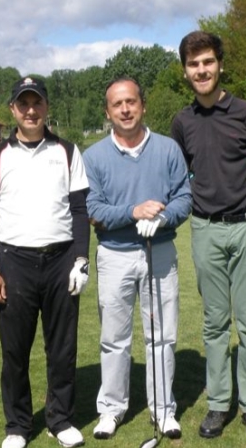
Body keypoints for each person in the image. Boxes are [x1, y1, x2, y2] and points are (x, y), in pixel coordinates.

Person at [170, 31, 246, 442]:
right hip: (205, 231)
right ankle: (219, 404)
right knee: (215, 323)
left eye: (208, 62)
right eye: (193, 64)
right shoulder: (181, 123)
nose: (201, 70)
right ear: (185, 71)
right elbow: (182, 175)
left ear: (220, 64)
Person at [0, 77, 91, 448]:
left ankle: (60, 419)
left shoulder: (68, 152)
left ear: (46, 107)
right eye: (22, 104)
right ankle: (18, 426)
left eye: (36, 103)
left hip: (60, 261)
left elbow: (79, 211)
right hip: (14, 262)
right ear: (12, 110)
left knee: (62, 348)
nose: (30, 110)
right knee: (14, 351)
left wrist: (81, 260)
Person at [83, 77, 192, 440]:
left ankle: (163, 410)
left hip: (159, 251)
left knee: (162, 335)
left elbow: (183, 197)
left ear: (142, 105)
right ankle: (111, 410)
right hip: (114, 254)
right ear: (108, 111)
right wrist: (134, 212)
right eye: (118, 104)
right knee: (114, 337)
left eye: (131, 102)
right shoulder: (94, 156)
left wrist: (163, 218)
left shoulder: (167, 149)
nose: (125, 110)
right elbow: (94, 208)